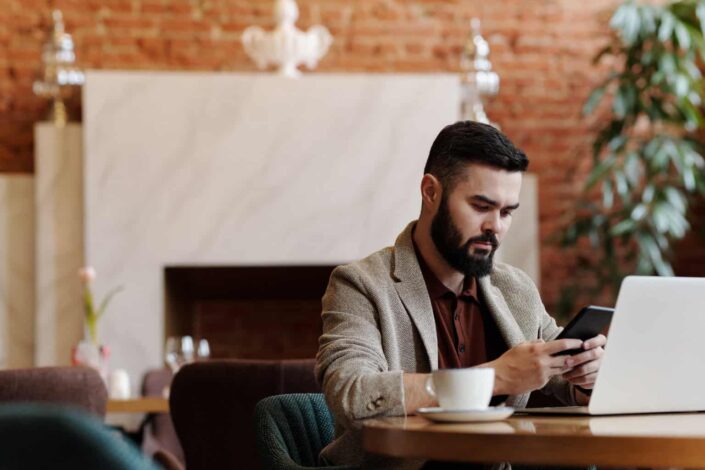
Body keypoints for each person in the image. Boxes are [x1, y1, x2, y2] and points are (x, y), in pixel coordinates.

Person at [315, 121, 606, 468]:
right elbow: (352, 394)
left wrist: (587, 376)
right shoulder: (360, 284)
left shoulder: (516, 289)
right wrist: (495, 378)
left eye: (507, 212)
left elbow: (558, 370)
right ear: (431, 192)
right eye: (481, 206)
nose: (495, 226)